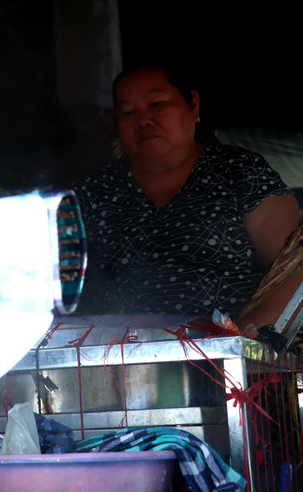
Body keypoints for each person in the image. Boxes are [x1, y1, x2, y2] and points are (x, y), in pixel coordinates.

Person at [73, 63, 301, 328]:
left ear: (193, 104)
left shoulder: (241, 172)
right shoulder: (91, 192)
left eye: (156, 104)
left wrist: (232, 342)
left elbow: (293, 275)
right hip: (112, 359)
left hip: (234, 359)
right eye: (128, 112)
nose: (144, 120)